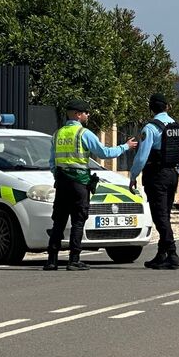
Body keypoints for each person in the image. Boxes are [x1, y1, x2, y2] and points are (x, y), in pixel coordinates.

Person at [45, 99, 137, 271]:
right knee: (78, 221)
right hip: (79, 183)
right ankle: (74, 260)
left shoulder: (57, 134)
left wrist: (60, 175)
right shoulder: (83, 134)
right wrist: (125, 146)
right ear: (78, 115)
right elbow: (104, 153)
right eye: (86, 112)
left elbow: (52, 162)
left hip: (62, 183)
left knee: (58, 221)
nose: (88, 115)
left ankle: (52, 260)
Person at [131, 93, 179, 270]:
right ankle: (161, 254)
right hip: (172, 174)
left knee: (159, 215)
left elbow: (142, 156)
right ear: (168, 106)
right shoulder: (178, 127)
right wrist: (178, 171)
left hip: (156, 175)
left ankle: (172, 253)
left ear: (151, 108)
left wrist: (133, 175)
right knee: (165, 214)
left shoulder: (150, 128)